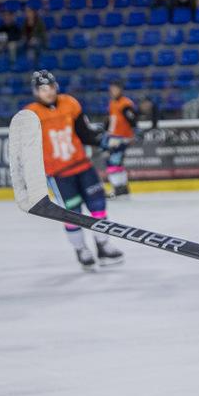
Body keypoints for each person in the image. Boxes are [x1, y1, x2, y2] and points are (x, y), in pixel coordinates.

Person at [25, 71, 125, 269]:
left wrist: (104, 142)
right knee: (72, 213)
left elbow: (84, 133)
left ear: (56, 87)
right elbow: (28, 149)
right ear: (36, 92)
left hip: (83, 166)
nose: (48, 92)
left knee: (98, 207)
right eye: (43, 89)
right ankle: (81, 249)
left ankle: (103, 245)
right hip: (59, 174)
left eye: (50, 87)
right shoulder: (30, 114)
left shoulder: (70, 103)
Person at [104, 80, 137, 196]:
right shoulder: (113, 103)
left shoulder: (125, 103)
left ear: (120, 90)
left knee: (113, 161)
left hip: (121, 137)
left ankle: (118, 187)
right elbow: (110, 119)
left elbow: (132, 120)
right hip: (114, 136)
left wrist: (132, 134)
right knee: (116, 162)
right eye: (111, 89)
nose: (112, 92)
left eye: (115, 89)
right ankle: (122, 187)